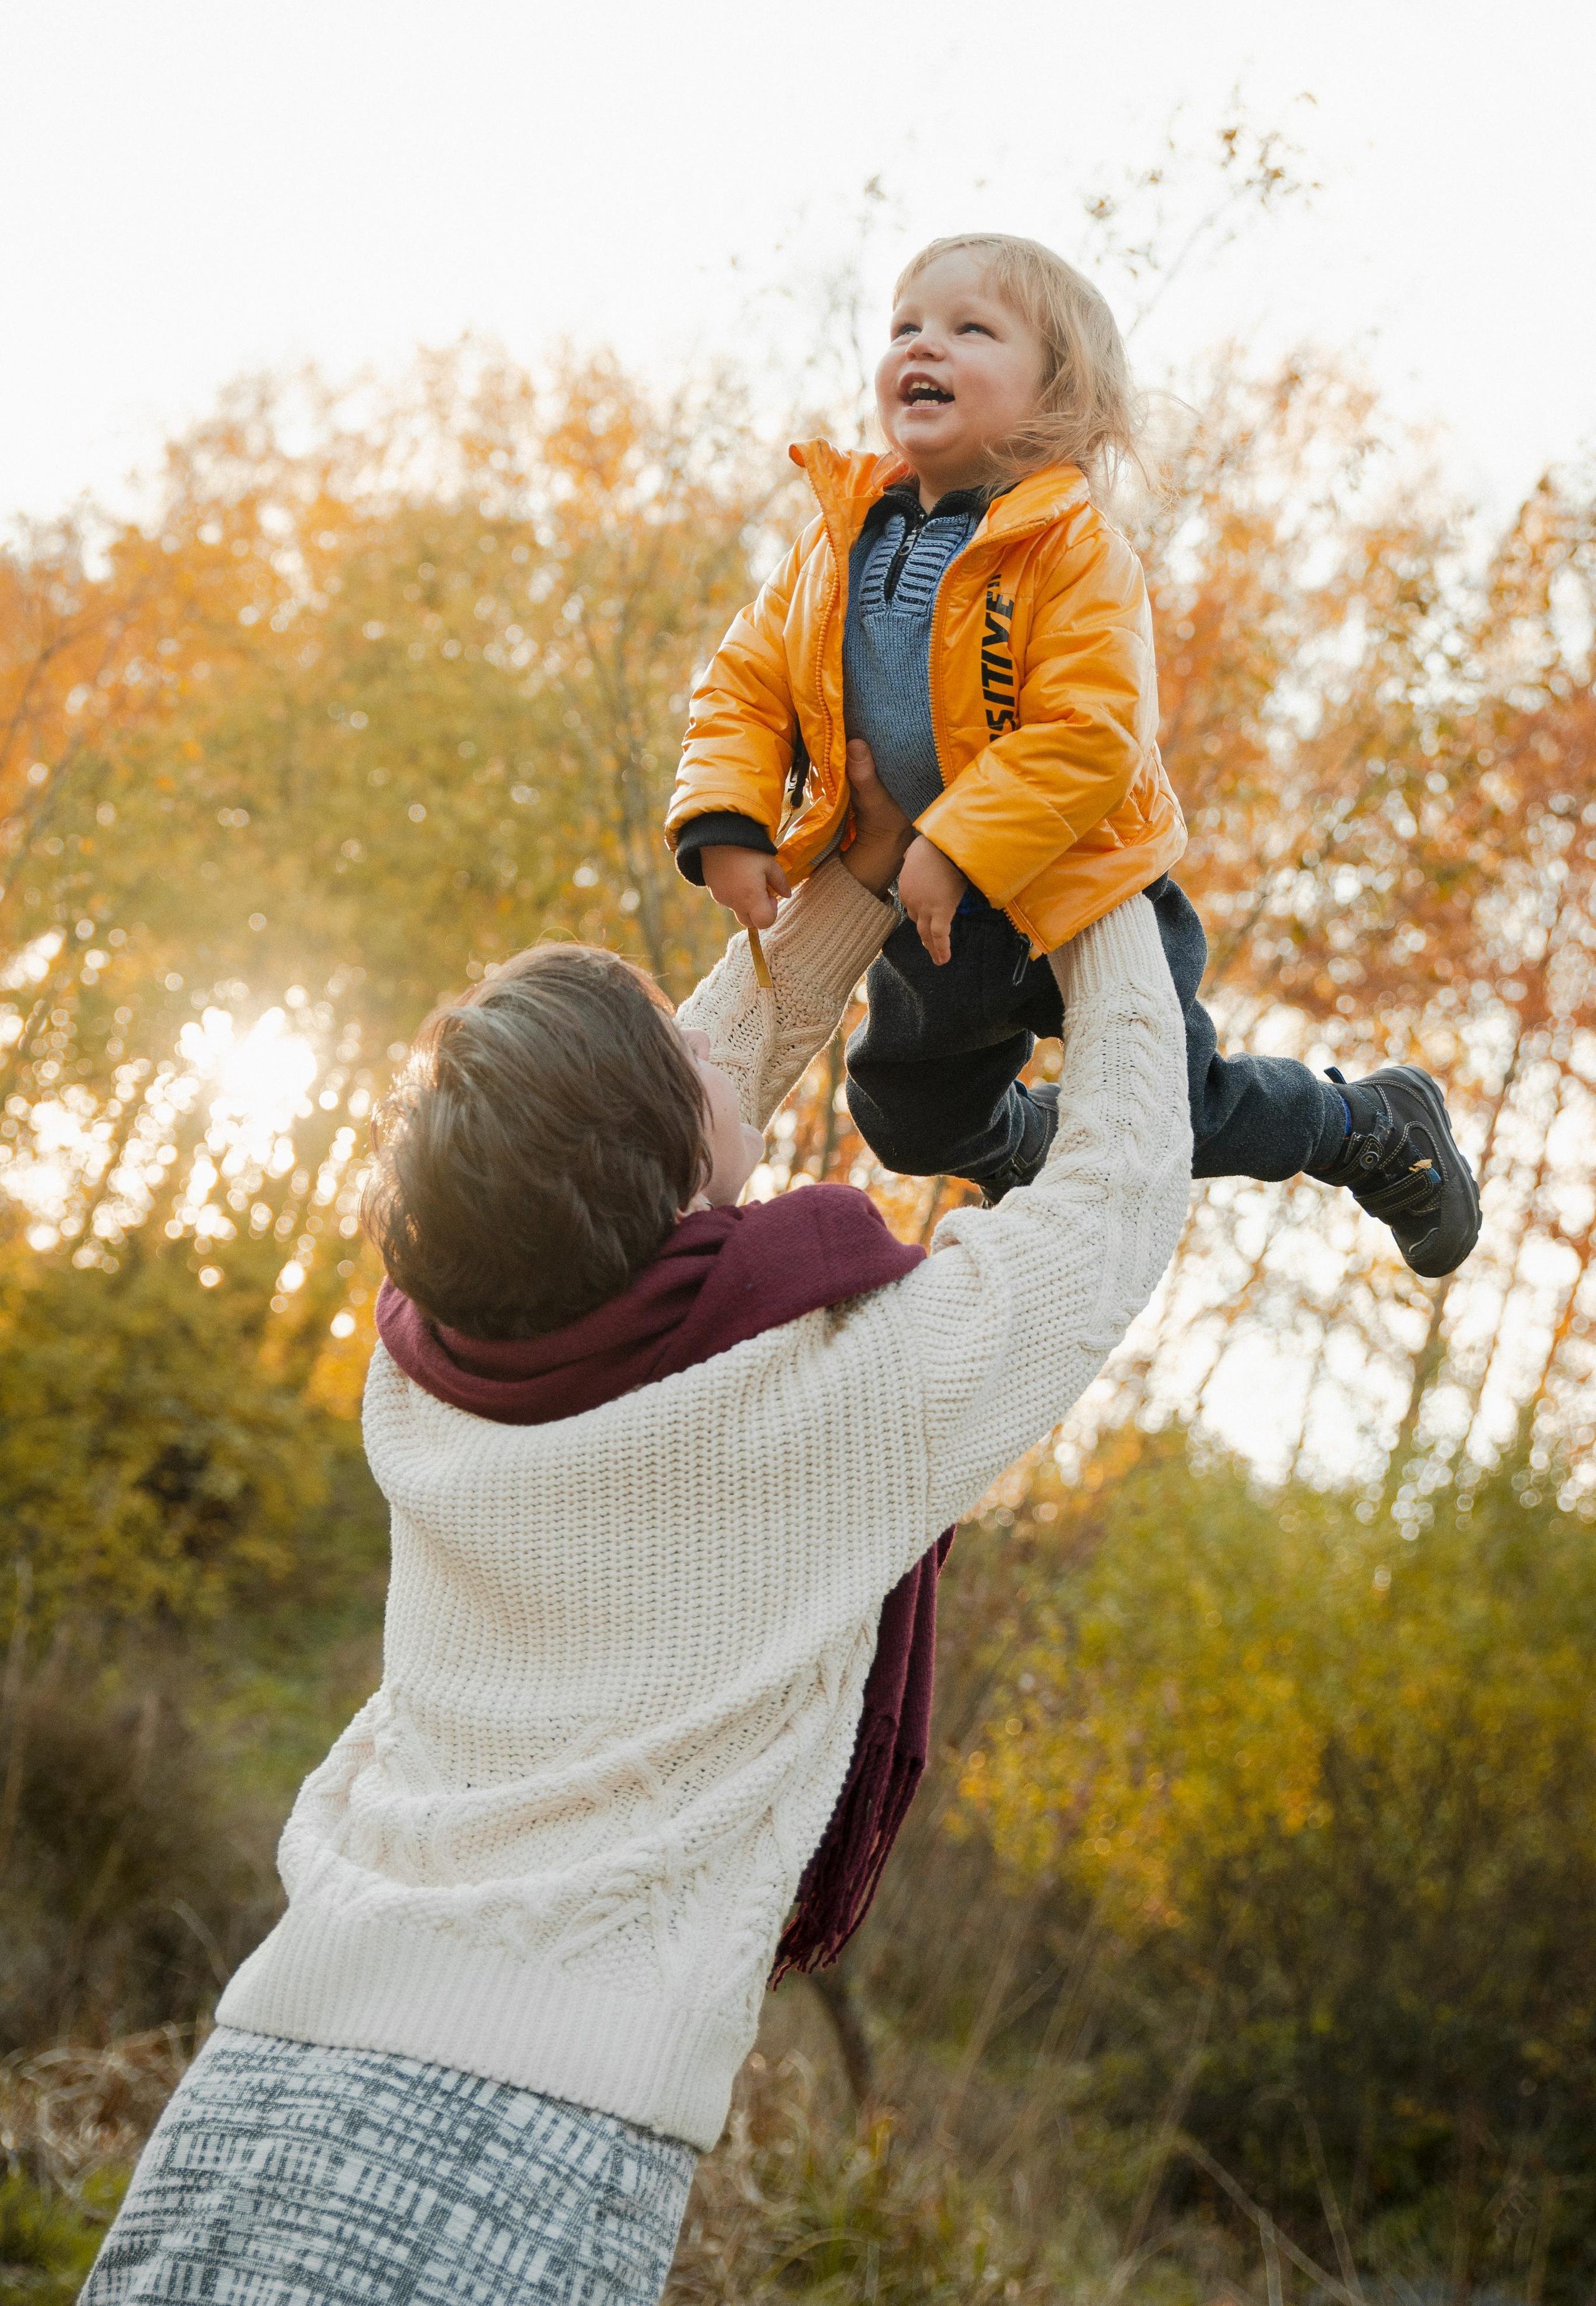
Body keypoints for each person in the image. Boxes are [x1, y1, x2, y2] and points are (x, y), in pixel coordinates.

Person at [82, 749, 1191, 2305]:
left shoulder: (429, 1369)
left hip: (262, 2077)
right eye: (674, 1065)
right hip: (529, 2141)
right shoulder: (833, 1402)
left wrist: (860, 867)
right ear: (665, 1160)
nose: (705, 1048)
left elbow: (665, 1088)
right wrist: (1098, 850)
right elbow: (1119, 1188)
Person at [668, 231, 1479, 1277]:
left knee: (1170, 1106)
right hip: (942, 913)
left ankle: (1364, 1126)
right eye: (906, 326)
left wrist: (958, 841)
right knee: (906, 1113)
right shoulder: (836, 545)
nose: (924, 345)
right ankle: (1032, 1146)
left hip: (1083, 885)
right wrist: (728, 818)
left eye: (971, 329)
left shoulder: (1073, 550)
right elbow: (748, 681)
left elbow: (1093, 731)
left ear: (1057, 400)